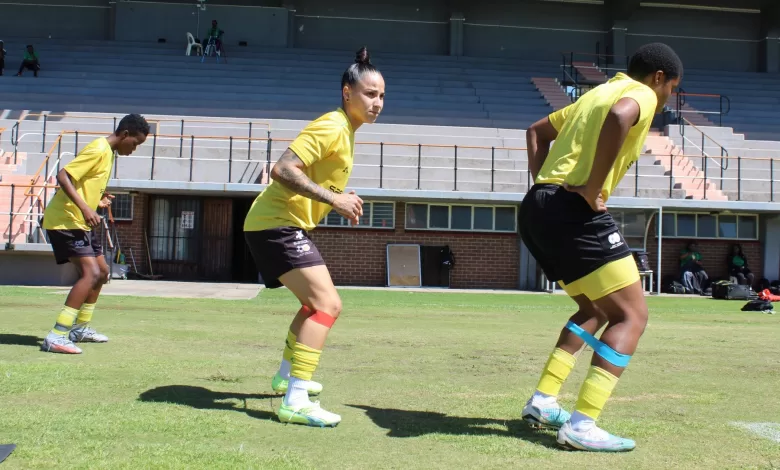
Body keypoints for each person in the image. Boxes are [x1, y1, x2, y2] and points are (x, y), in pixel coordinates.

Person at [518, 43, 682, 452]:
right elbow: (620, 116)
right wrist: (592, 188)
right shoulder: (640, 93)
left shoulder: (593, 93)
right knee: (631, 316)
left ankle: (543, 401)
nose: (667, 99)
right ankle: (582, 425)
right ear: (658, 78)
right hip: (573, 210)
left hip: (538, 206)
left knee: (594, 310)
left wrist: (548, 189)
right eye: (672, 90)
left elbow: (536, 132)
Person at [244, 47, 384, 427]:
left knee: (312, 306)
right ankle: (296, 399)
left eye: (382, 95)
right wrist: (335, 198)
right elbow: (282, 168)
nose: (377, 103)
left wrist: (339, 198)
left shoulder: (347, 131)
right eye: (370, 94)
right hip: (276, 224)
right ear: (347, 92)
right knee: (327, 305)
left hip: (277, 225)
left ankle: (287, 376)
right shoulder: (332, 126)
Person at [40, 114, 150, 354]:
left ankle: (79, 329)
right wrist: (85, 207)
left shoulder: (109, 153)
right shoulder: (99, 148)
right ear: (124, 135)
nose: (135, 149)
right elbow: (63, 175)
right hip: (65, 221)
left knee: (102, 273)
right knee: (90, 273)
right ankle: (57, 335)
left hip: (80, 222)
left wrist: (97, 200)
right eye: (135, 143)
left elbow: (83, 183)